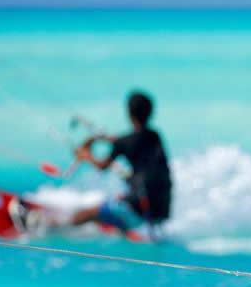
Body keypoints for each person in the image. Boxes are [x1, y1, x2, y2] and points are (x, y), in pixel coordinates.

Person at [68, 90, 173, 233]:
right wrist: (99, 138)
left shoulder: (124, 143)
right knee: (122, 195)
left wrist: (86, 155)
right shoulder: (155, 137)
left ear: (129, 113)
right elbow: (129, 141)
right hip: (160, 211)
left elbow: (102, 166)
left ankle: (56, 228)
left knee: (86, 214)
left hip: (139, 211)